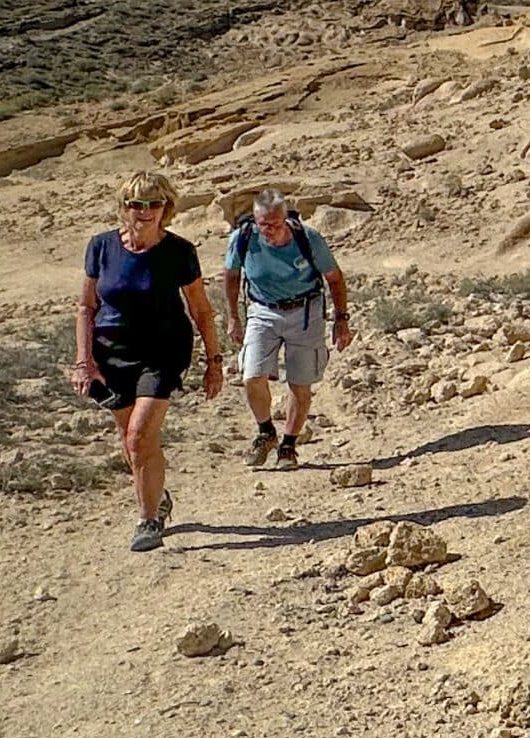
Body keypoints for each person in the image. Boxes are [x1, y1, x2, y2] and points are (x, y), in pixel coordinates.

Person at [72, 170, 224, 552]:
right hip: (112, 353)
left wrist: (214, 361)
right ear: (124, 206)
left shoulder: (179, 251)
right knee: (132, 441)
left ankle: (148, 519)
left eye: (154, 203)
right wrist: (83, 360)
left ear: (165, 207)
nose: (145, 210)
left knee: (139, 436)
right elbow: (86, 307)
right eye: (136, 203)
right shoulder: (101, 247)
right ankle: (157, 495)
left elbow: (201, 310)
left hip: (163, 352)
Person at [222, 188, 352, 469]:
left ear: (286, 219)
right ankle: (266, 432)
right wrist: (233, 317)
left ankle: (289, 445)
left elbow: (335, 278)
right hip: (263, 310)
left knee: (300, 382)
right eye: (264, 224)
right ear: (255, 220)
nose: (269, 230)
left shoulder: (308, 238)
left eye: (276, 224)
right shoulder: (243, 238)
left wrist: (341, 319)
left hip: (305, 312)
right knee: (251, 375)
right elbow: (231, 277)